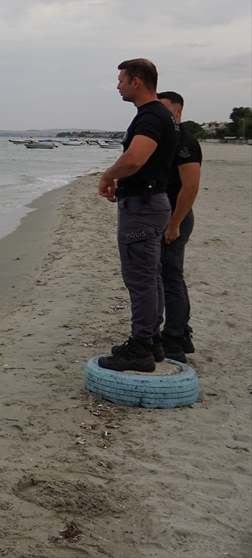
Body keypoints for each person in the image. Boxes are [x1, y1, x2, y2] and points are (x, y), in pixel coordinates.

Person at [96, 59, 179, 372]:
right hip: (153, 202)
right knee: (151, 274)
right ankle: (152, 340)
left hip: (144, 207)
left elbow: (135, 159)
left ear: (137, 81)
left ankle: (141, 347)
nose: (117, 85)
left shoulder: (150, 116)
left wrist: (107, 175)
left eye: (121, 80)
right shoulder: (163, 116)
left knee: (140, 277)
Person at [157, 91, 201, 362]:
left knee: (170, 276)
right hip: (167, 216)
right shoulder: (168, 139)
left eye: (164, 110)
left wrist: (174, 224)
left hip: (178, 217)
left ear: (177, 111)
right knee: (170, 275)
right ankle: (180, 332)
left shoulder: (185, 142)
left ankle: (174, 338)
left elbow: (191, 187)